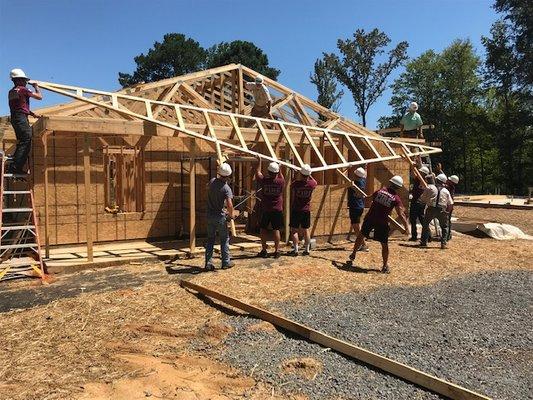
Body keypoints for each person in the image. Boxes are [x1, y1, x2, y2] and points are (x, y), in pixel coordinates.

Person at [347, 176, 409, 273]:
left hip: (370, 218)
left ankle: (353, 254)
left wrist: (361, 196)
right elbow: (401, 214)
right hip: (382, 222)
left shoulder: (379, 191)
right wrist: (406, 227)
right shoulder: (396, 199)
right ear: (398, 187)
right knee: (384, 244)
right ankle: (384, 266)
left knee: (361, 235)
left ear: (390, 183)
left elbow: (368, 199)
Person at [7, 68, 43, 175]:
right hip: (21, 118)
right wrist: (36, 86)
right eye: (24, 80)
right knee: (27, 140)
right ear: (18, 80)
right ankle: (15, 167)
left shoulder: (12, 91)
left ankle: (14, 163)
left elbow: (19, 107)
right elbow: (40, 97)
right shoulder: (23, 89)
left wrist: (32, 114)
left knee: (22, 140)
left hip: (15, 117)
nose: (25, 83)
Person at [204, 163, 235, 271]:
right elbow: (230, 205)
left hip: (209, 215)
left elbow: (207, 187)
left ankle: (208, 263)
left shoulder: (212, 181)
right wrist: (230, 216)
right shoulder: (226, 188)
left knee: (210, 239)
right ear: (228, 176)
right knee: (224, 239)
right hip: (220, 217)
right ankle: (225, 262)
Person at [255, 158, 284, 258]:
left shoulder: (264, 181)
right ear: (276, 173)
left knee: (263, 229)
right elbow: (281, 176)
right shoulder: (280, 182)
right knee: (276, 230)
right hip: (277, 210)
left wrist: (259, 161)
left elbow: (257, 173)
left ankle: (264, 250)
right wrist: (279, 167)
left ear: (268, 171)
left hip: (266, 209)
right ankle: (276, 251)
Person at [288, 164, 317, 256]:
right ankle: (307, 250)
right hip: (306, 210)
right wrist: (308, 174)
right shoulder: (311, 184)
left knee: (294, 230)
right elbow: (314, 181)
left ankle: (296, 250)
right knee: (306, 230)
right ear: (308, 175)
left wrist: (298, 175)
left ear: (301, 174)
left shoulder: (296, 184)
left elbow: (291, 185)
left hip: (296, 209)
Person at [419, 173, 454, 249]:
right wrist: (447, 212)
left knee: (425, 225)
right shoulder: (446, 191)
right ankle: (443, 243)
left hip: (431, 209)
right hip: (442, 210)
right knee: (444, 227)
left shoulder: (429, 188)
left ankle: (424, 242)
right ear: (444, 182)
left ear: (436, 180)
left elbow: (422, 200)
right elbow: (450, 204)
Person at [347, 166, 369, 251]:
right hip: (360, 206)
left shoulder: (354, 183)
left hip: (355, 207)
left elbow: (343, 177)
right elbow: (365, 175)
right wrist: (366, 166)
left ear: (356, 175)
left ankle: (364, 245)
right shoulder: (363, 181)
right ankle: (361, 243)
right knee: (357, 225)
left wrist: (347, 168)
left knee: (356, 227)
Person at [408, 166, 430, 241]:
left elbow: (412, 174)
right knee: (422, 219)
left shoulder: (419, 179)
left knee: (413, 219)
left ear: (423, 173)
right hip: (422, 202)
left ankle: (414, 236)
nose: (419, 172)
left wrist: (412, 166)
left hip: (416, 201)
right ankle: (428, 236)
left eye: (420, 172)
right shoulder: (425, 180)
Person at [445, 175, 459, 241]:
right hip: (449, 206)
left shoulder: (449, 187)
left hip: (448, 206)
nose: (447, 180)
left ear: (451, 182)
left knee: (446, 221)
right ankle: (448, 235)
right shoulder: (451, 186)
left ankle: (447, 236)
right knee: (448, 221)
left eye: (449, 180)